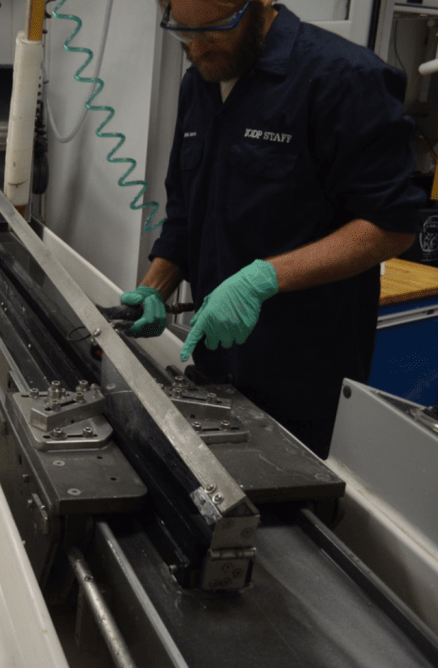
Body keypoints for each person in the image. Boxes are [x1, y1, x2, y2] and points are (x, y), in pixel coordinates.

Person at [122, 0, 423, 458]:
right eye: (182, 31)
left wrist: (264, 279)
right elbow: (187, 213)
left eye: (216, 28)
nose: (197, 46)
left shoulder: (344, 77)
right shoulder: (199, 83)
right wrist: (154, 288)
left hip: (302, 378)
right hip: (214, 364)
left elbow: (391, 225)